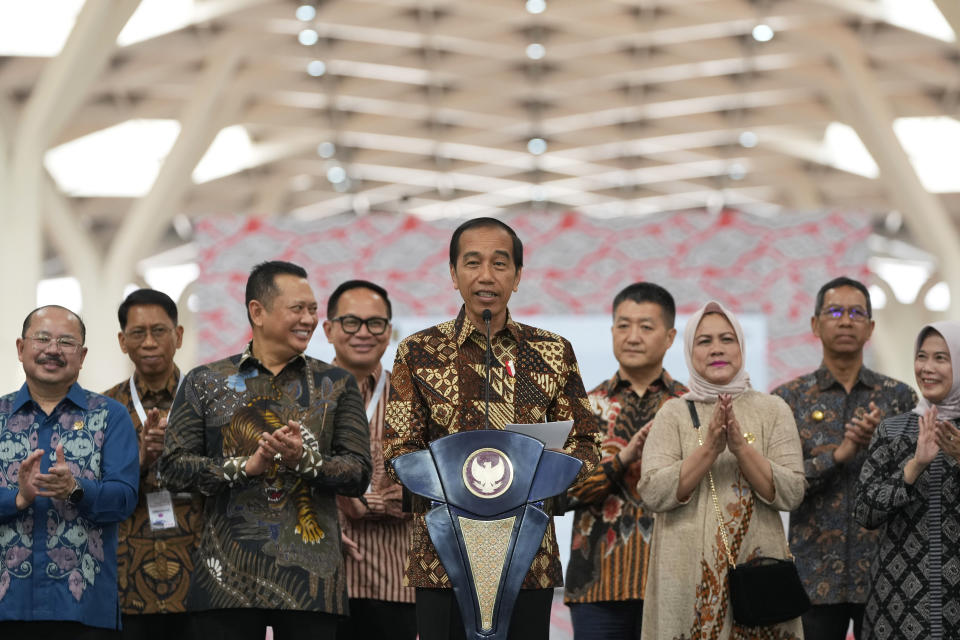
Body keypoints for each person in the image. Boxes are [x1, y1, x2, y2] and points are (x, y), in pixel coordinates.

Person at [383, 217, 601, 640]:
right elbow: (398, 452)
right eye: (472, 263)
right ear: (453, 273)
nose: (486, 276)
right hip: (441, 559)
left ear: (518, 276)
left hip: (528, 556)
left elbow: (586, 445)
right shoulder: (417, 351)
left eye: (500, 264)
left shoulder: (553, 351)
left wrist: (540, 471)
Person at [157, 261, 372, 640]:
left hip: (312, 587)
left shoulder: (336, 384)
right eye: (297, 309)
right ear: (257, 311)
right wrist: (245, 466)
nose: (308, 319)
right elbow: (172, 467)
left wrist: (303, 460)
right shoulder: (206, 382)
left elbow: (358, 473)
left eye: (312, 309)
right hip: (225, 585)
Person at [638, 301, 806, 639]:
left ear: (741, 346)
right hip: (686, 576)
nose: (717, 349)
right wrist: (711, 448)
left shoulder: (773, 409)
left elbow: (792, 493)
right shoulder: (672, 414)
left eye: (727, 339)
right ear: (689, 350)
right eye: (704, 341)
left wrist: (741, 448)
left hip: (758, 574)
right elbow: (653, 492)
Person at [772, 276, 915, 639]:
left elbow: (914, 482)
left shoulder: (898, 399)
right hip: (813, 576)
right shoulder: (789, 399)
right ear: (815, 324)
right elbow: (780, 484)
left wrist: (880, 449)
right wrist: (840, 455)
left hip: (886, 573)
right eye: (835, 311)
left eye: (856, 313)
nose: (846, 320)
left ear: (870, 328)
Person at [0, 306, 139, 635]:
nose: (52, 350)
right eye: (43, 338)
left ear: (82, 355)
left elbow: (124, 499)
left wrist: (76, 490)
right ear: (21, 348)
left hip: (83, 608)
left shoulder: (111, 416)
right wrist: (17, 499)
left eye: (65, 342)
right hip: (7, 606)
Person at [563, 282, 687, 639]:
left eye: (646, 327)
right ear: (612, 331)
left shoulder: (689, 407)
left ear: (669, 336)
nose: (633, 336)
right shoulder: (583, 407)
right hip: (597, 588)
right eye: (623, 325)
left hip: (674, 582)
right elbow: (562, 493)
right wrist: (623, 459)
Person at [102, 289, 202, 639]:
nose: (148, 342)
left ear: (178, 335)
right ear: (122, 340)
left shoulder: (208, 401)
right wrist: (140, 460)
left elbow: (229, 473)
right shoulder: (104, 409)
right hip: (127, 577)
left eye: (159, 331)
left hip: (201, 574)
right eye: (137, 333)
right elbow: (96, 493)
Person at [855, 321, 960, 639]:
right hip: (896, 602)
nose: (927, 368)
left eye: (941, 358)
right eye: (922, 356)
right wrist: (914, 466)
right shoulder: (893, 429)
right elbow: (865, 511)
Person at [323, 280, 415, 640]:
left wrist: (363, 502)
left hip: (393, 584)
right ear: (328, 329)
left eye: (375, 323)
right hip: (318, 583)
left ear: (389, 331)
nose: (363, 332)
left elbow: (430, 486)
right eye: (350, 322)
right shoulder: (302, 395)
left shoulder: (414, 399)